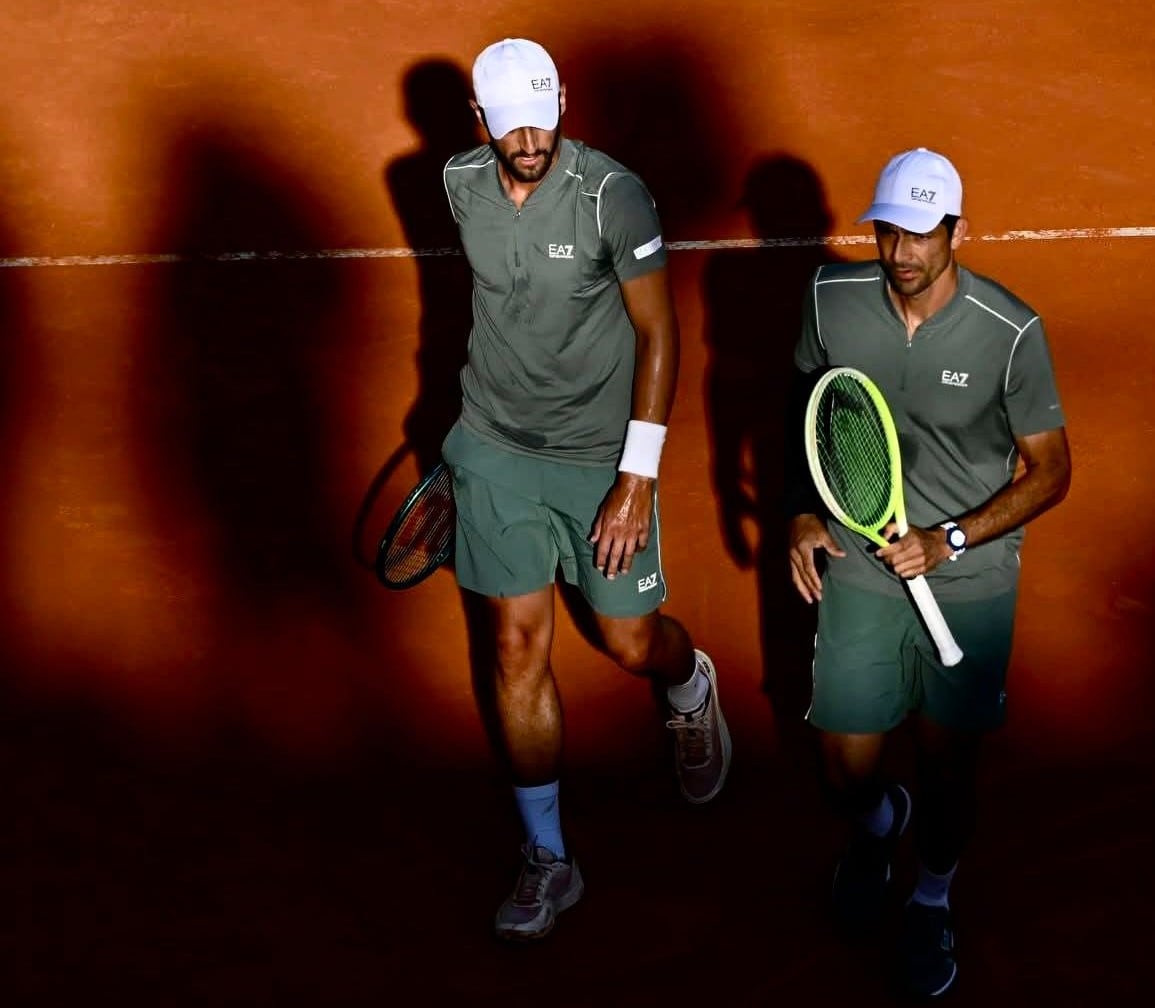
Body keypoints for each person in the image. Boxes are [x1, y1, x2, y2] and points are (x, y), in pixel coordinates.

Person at [440, 37, 731, 941]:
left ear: (562, 98)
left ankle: (687, 685)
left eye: (544, 111)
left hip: (601, 458)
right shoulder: (461, 184)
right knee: (515, 647)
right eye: (510, 119)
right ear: (480, 121)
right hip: (492, 450)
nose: (532, 135)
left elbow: (659, 333)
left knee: (625, 636)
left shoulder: (614, 195)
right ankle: (548, 859)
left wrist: (635, 477)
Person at [786, 148, 1071, 997]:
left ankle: (931, 898)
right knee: (843, 762)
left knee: (948, 764)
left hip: (968, 571)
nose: (901, 252)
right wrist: (805, 508)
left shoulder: (1010, 332)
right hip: (861, 555)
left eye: (921, 234)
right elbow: (810, 398)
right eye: (887, 231)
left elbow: (1051, 470)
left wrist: (949, 539)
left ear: (956, 231)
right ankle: (878, 825)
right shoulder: (828, 299)